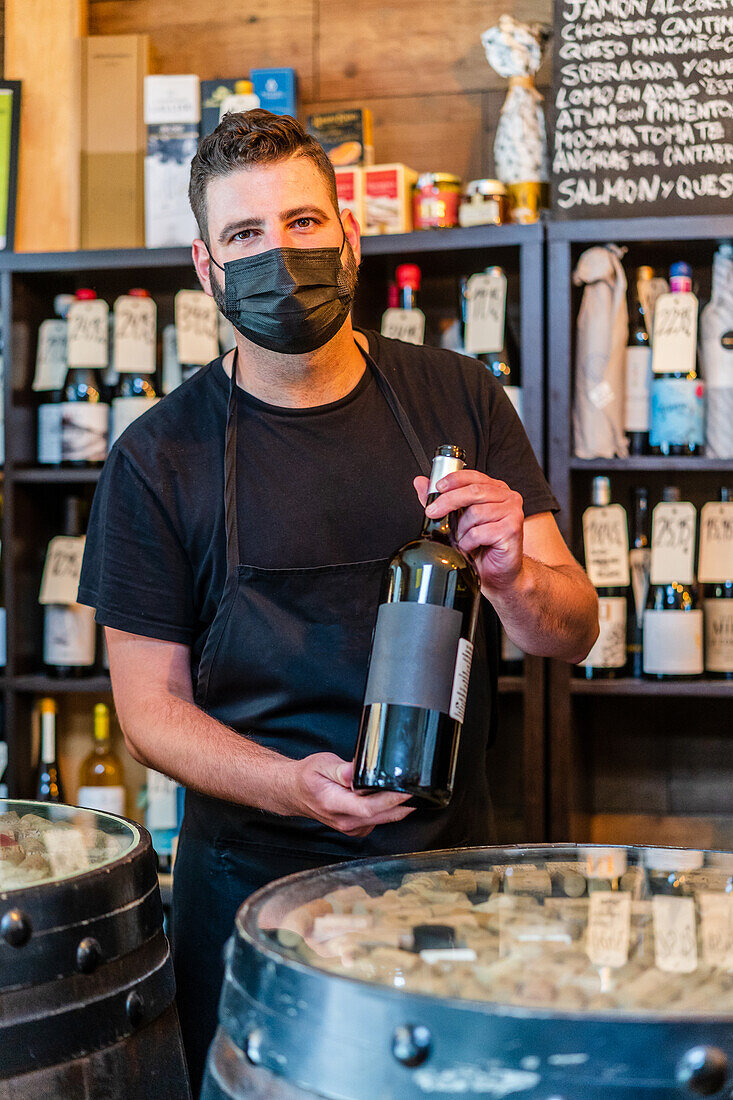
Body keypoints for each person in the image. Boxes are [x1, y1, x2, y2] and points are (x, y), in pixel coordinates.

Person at [78, 109, 598, 1093]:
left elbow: (571, 631)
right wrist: (291, 785)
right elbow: (147, 708)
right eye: (245, 236)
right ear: (206, 264)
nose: (280, 253)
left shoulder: (458, 396)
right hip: (250, 889)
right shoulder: (158, 455)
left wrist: (514, 575)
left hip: (455, 877)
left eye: (304, 223)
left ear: (348, 235)